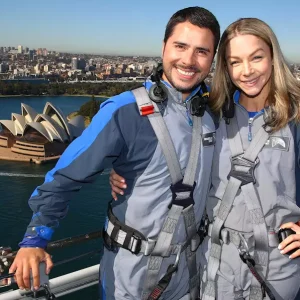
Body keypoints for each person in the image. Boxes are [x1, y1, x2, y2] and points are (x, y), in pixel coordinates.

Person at [9, 7, 221, 300]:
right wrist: (35, 239)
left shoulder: (216, 111)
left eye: (201, 51)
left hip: (190, 270)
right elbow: (65, 177)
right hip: (130, 276)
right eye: (180, 46)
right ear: (163, 47)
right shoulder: (124, 111)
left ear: (212, 58)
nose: (188, 60)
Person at [110, 18, 300, 300]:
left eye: (256, 58)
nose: (246, 71)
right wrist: (125, 171)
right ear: (225, 67)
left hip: (278, 264)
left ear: (273, 57)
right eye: (235, 62)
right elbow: (178, 156)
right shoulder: (211, 114)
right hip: (218, 263)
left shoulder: (295, 118)